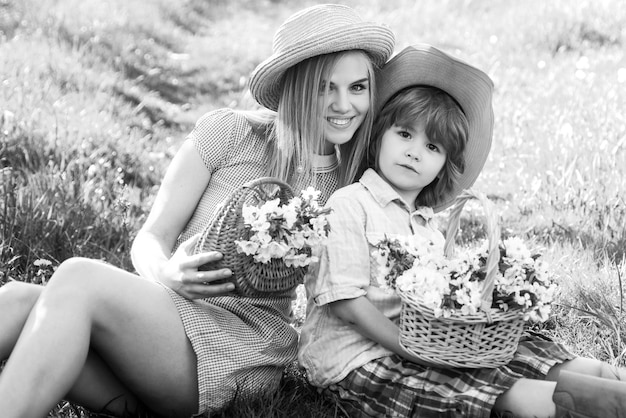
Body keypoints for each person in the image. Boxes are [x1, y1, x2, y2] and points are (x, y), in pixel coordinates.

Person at [0, 4, 394, 417]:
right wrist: (164, 272)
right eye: (324, 87)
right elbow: (152, 237)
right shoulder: (229, 132)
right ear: (296, 87)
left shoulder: (346, 192)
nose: (343, 104)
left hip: (240, 347)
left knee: (79, 278)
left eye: (357, 88)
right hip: (163, 321)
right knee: (16, 299)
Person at [298, 44, 626, 418]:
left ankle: (610, 383)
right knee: (491, 389)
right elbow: (346, 304)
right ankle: (581, 404)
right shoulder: (351, 204)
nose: (414, 152)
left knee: (525, 352)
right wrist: (419, 352)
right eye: (404, 134)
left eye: (432, 146)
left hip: (422, 345)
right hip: (356, 357)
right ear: (378, 137)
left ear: (443, 166)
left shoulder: (430, 231)